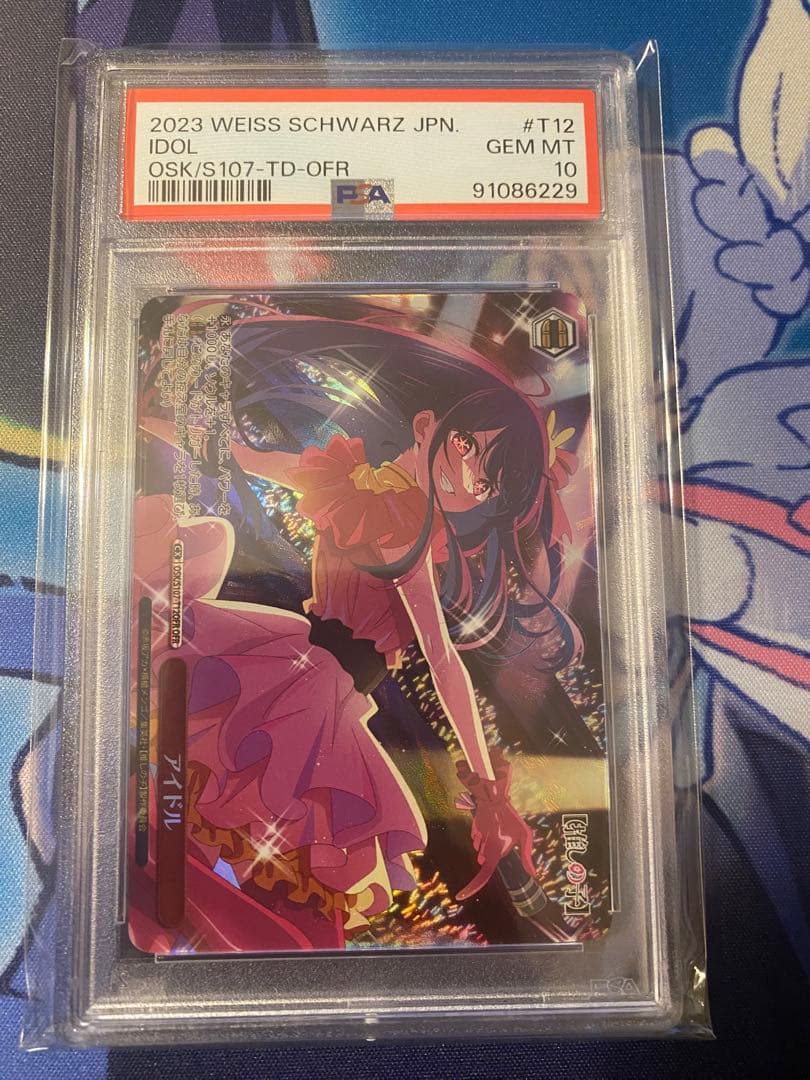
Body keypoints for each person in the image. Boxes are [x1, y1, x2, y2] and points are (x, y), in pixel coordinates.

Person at [131, 302, 580, 952]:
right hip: (314, 685)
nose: (468, 473)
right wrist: (485, 783)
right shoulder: (392, 516)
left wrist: (149, 425)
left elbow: (242, 456)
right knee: (248, 812)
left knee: (239, 806)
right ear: (427, 425)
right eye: (469, 447)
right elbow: (441, 659)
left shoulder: (382, 506)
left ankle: (185, 911)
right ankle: (189, 912)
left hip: (314, 678)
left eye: (487, 481)